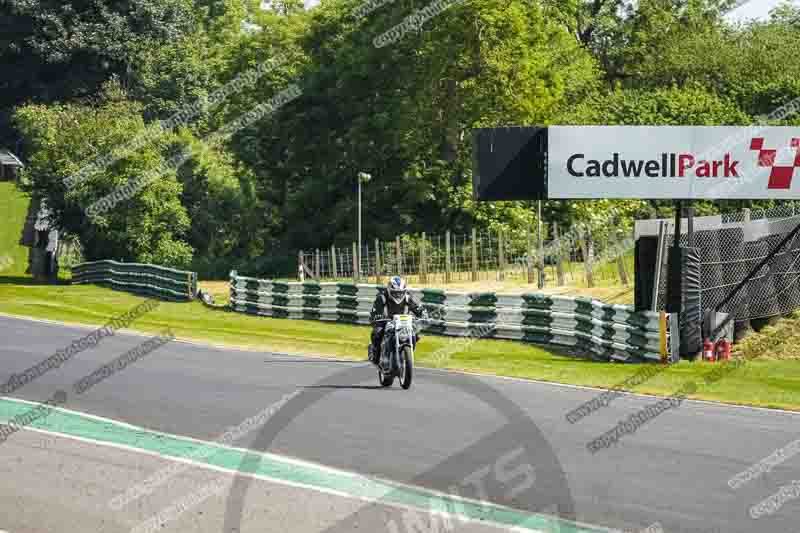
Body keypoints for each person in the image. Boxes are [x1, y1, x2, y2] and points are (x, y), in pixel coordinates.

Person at [368, 276, 427, 364]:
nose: (398, 295)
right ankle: (375, 355)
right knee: (377, 333)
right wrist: (376, 316)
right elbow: (374, 311)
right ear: (389, 290)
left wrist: (423, 314)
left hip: (404, 323)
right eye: (395, 293)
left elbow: (417, 309)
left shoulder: (408, 298)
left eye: (400, 293)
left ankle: (408, 354)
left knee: (416, 334)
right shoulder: (382, 298)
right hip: (386, 322)